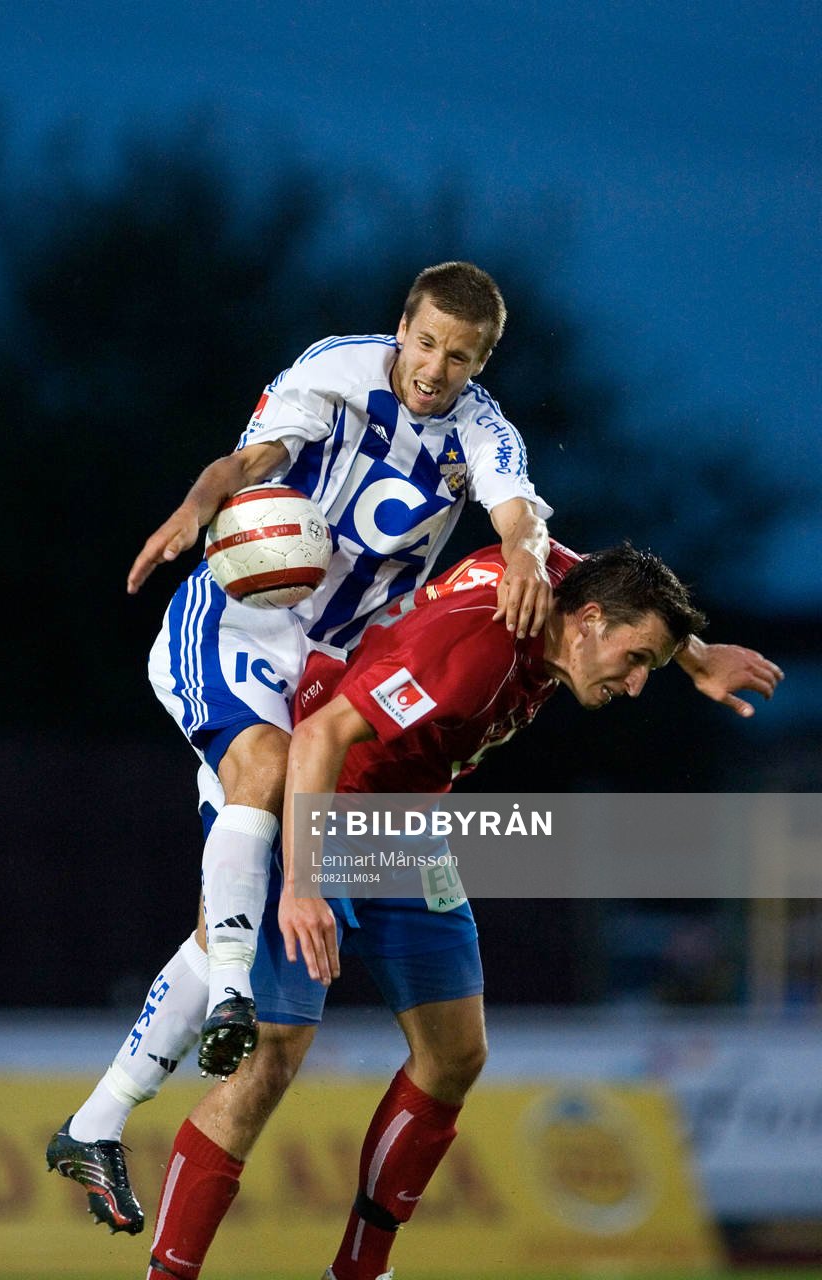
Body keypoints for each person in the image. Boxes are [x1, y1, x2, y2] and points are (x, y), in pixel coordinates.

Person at [68, 538, 778, 1280]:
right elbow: (320, 735)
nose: (636, 685)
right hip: (321, 803)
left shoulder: (561, 583)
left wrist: (695, 656)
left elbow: (613, 573)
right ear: (589, 621)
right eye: (637, 661)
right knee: (271, 1055)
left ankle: (359, 1270)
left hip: (402, 826)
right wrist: (305, 884)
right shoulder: (475, 651)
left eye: (650, 669)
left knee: (456, 1054)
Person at [125, 261, 554, 1083]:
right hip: (240, 619)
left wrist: (526, 556)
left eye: (459, 358)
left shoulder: (486, 431)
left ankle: (102, 1117)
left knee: (254, 851)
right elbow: (253, 462)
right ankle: (229, 1000)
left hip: (333, 665)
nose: (435, 369)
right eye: (425, 343)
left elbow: (516, 510)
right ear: (403, 327)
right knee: (262, 782)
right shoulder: (337, 370)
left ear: (481, 363)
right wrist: (197, 501)